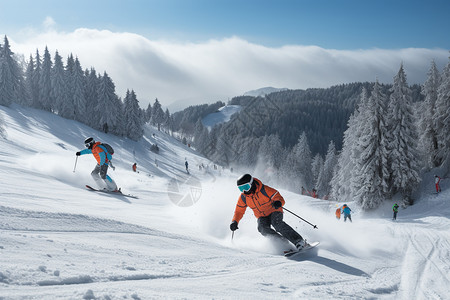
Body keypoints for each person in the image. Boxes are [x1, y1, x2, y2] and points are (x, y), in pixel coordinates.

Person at [229, 174, 308, 251]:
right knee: (262, 228)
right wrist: (235, 221)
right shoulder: (243, 197)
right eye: (241, 188)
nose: (244, 191)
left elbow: (278, 197)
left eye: (246, 187)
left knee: (277, 223)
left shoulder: (264, 190)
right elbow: (239, 211)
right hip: (261, 216)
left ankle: (299, 241)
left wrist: (278, 202)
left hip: (274, 210)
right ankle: (283, 243)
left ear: (251, 184)